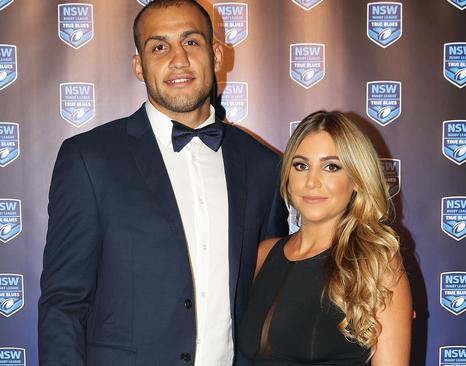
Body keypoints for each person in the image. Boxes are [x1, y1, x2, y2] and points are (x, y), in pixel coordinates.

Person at [38, 1, 288, 365]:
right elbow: (63, 303)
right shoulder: (89, 160)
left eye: (191, 42)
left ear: (216, 54)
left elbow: (267, 296)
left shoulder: (264, 165)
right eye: (159, 46)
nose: (178, 59)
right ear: (139, 66)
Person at [239, 111, 412, 365]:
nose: (312, 182)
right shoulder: (263, 255)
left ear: (356, 179)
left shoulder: (376, 264)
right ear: (288, 177)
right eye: (301, 166)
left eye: (331, 167)